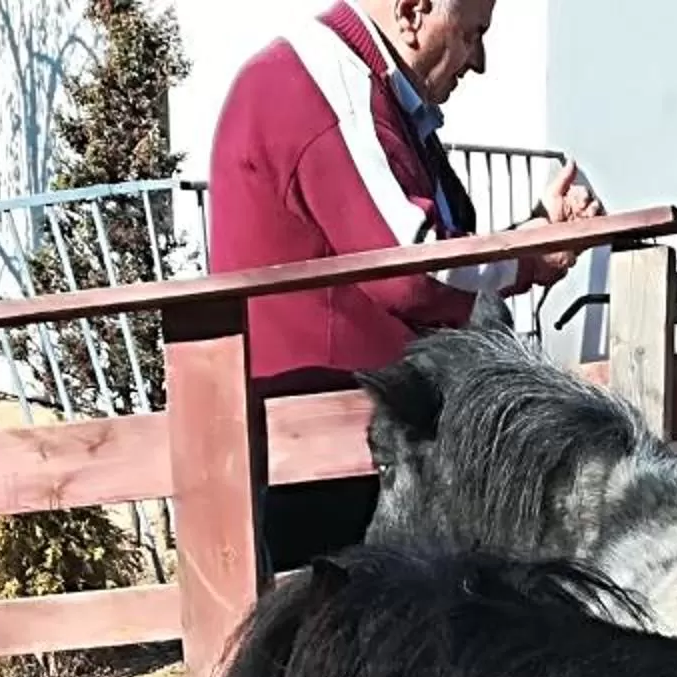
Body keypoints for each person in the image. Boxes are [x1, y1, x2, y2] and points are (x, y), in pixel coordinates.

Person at [204, 0, 603, 568]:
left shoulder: (364, 91)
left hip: (363, 439)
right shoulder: (324, 86)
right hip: (333, 452)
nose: (480, 60)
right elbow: (414, 271)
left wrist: (531, 234)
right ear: (413, 11)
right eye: (471, 34)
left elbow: (424, 253)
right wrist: (531, 257)